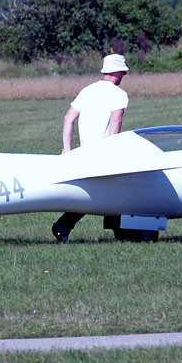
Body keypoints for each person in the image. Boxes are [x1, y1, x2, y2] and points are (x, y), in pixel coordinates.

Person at [53, 53, 129, 242]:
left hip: (84, 153)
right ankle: (63, 225)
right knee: (113, 192)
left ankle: (119, 233)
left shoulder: (87, 90)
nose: (124, 76)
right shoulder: (118, 94)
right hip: (103, 154)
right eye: (124, 73)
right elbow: (116, 119)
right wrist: (112, 147)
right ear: (118, 72)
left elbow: (68, 118)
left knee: (101, 193)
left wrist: (66, 148)